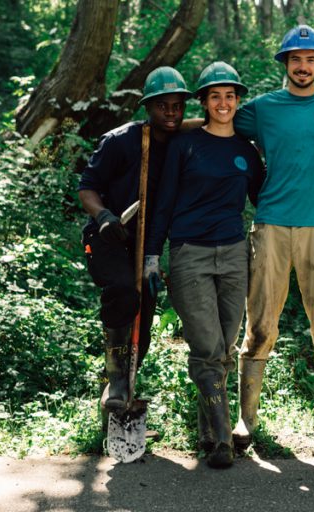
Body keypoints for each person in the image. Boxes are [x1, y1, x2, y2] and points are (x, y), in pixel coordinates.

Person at [232, 25, 314, 451]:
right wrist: (169, 123)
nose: (302, 67)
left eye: (310, 60)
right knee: (261, 322)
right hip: (270, 223)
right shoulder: (263, 108)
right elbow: (220, 116)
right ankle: (245, 420)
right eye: (295, 60)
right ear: (285, 64)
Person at [144, 62, 263, 469]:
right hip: (191, 254)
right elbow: (163, 203)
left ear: (238, 101)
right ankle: (224, 439)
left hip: (233, 254)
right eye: (215, 96)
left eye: (230, 95)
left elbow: (265, 198)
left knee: (224, 348)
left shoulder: (246, 152)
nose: (223, 102)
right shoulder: (186, 145)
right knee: (208, 347)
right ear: (205, 102)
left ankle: (208, 435)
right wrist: (153, 255)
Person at [77, 66, 191, 419]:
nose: (171, 113)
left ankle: (126, 382)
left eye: (178, 107)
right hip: (110, 234)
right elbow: (87, 187)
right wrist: (103, 216)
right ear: (148, 107)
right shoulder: (120, 140)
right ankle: (116, 381)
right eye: (163, 106)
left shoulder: (179, 139)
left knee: (144, 309)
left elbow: (209, 122)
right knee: (125, 291)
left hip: (149, 240)